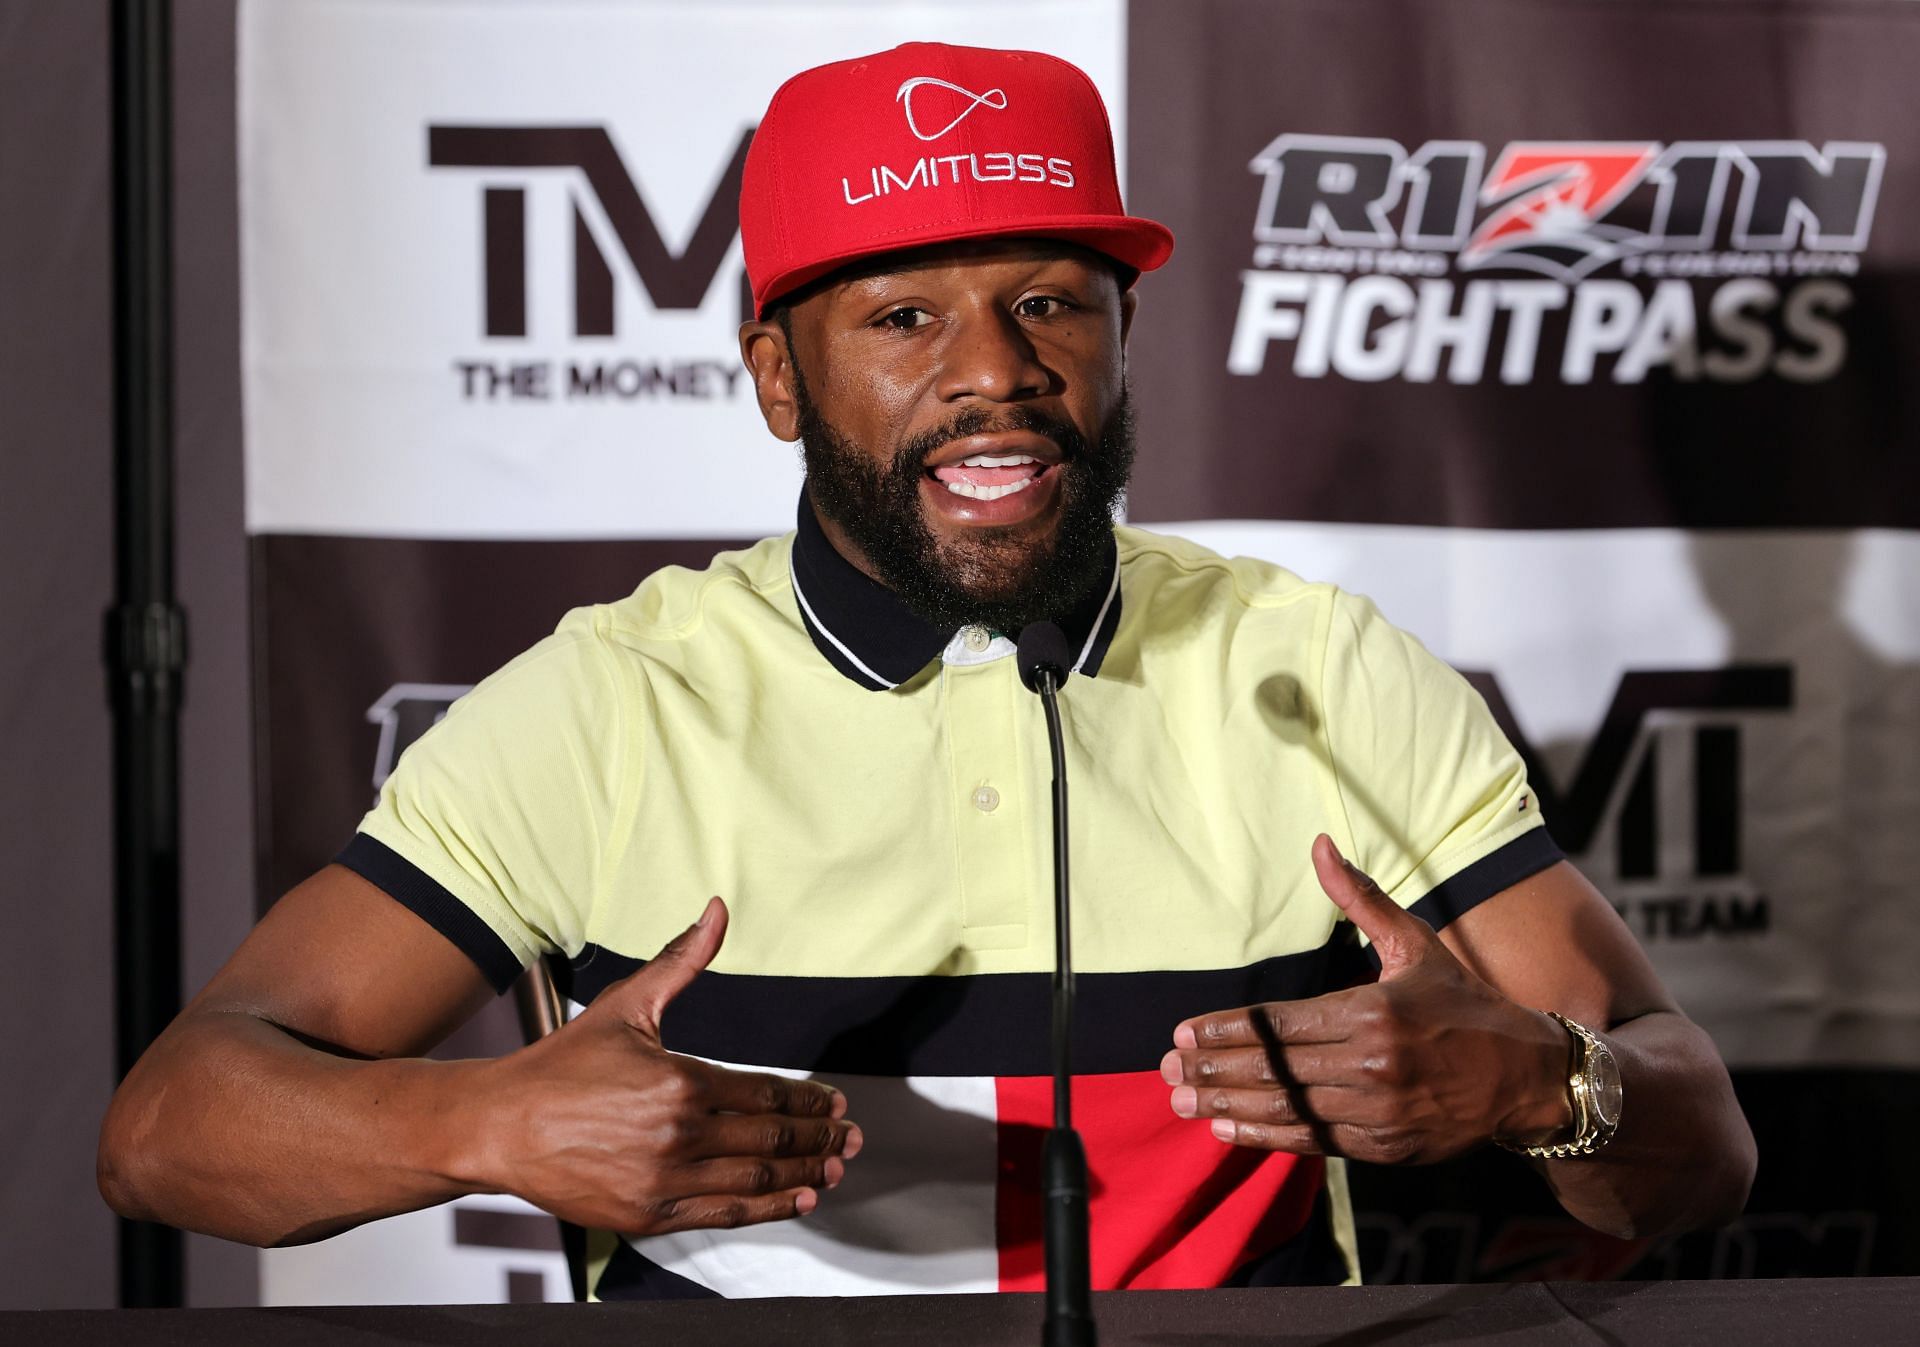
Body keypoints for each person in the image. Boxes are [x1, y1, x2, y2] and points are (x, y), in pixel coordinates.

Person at [99, 41, 1754, 1298]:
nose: (999, 375)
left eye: (1051, 303)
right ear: (775, 376)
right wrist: (482, 1129)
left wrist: (1549, 1084)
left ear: (1120, 337)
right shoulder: (612, 700)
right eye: (904, 320)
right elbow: (166, 1129)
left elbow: (1699, 1155)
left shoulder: (1307, 664)